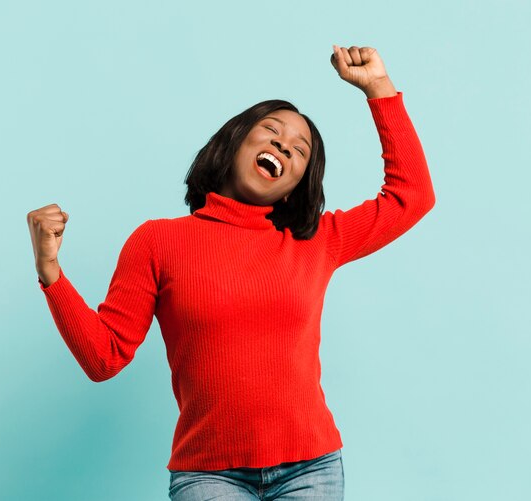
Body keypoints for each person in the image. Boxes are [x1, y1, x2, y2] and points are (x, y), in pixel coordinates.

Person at [26, 44, 436, 500]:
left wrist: (377, 87)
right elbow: (104, 357)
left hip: (312, 469)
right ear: (234, 141)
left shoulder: (316, 239)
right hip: (208, 476)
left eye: (300, 151)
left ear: (296, 185)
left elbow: (412, 195)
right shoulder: (158, 241)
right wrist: (50, 271)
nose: (284, 145)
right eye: (271, 131)